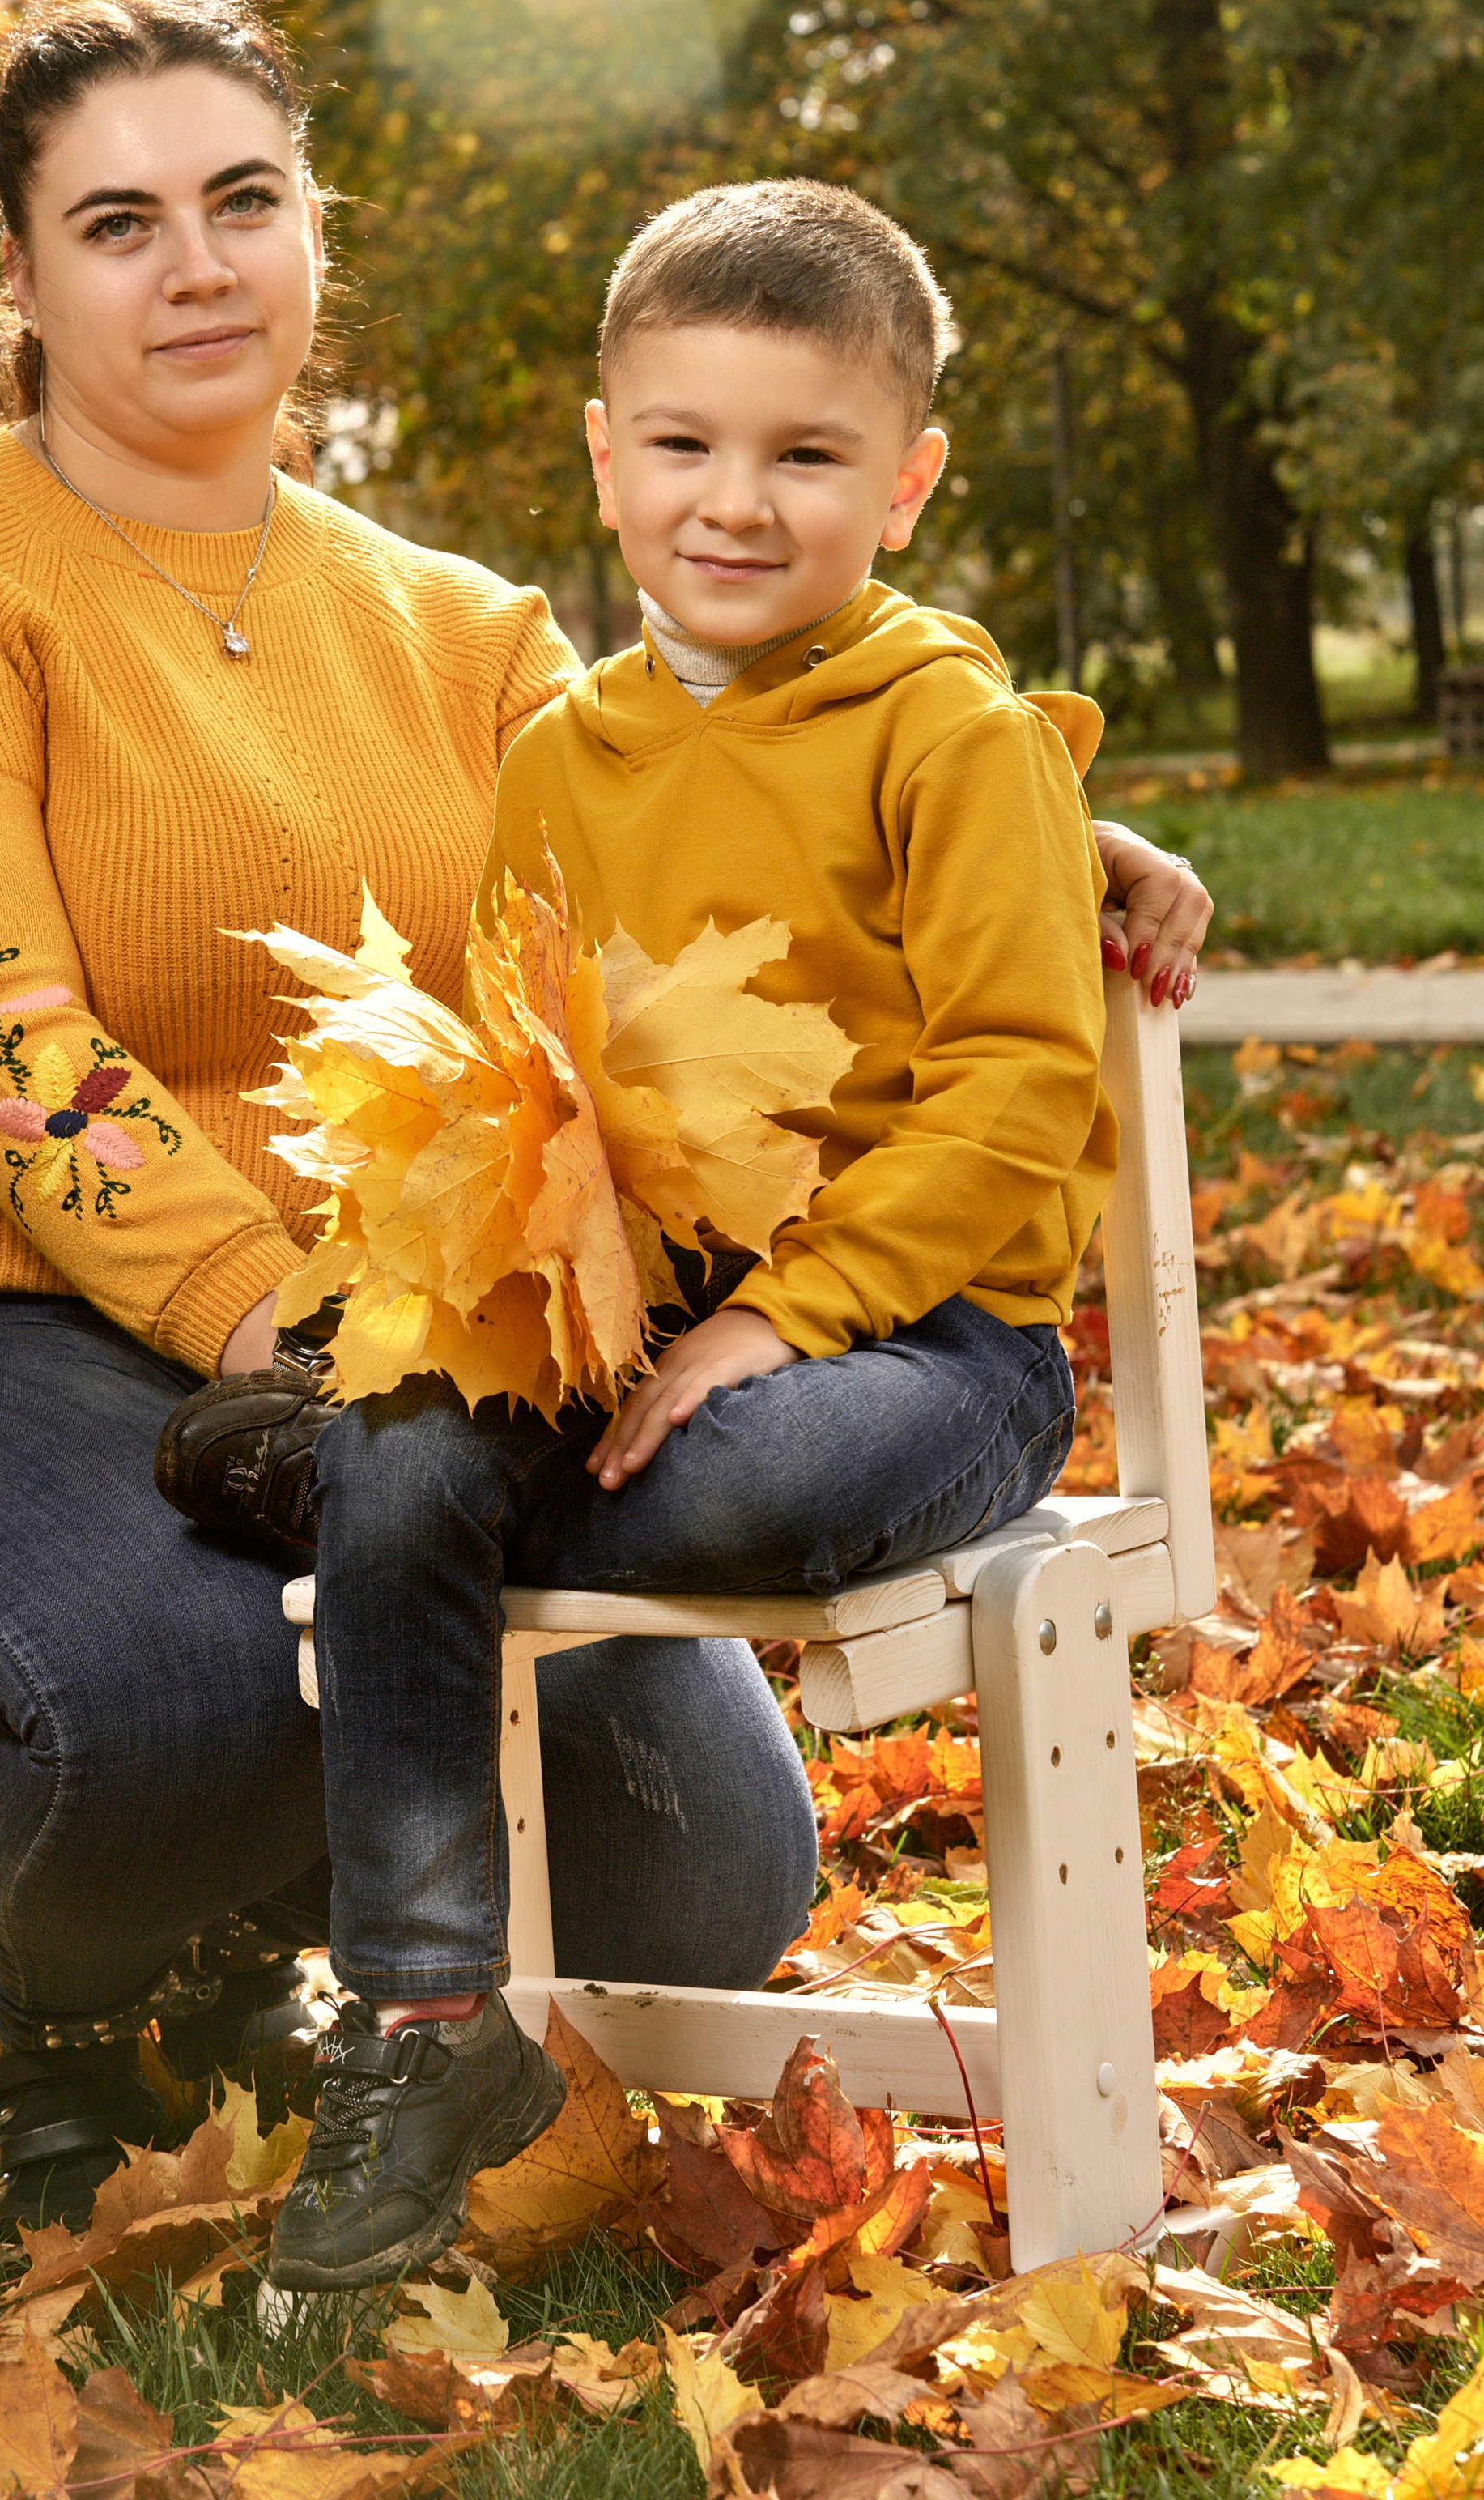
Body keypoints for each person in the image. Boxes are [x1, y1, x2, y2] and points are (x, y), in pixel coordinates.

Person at [0, 0, 1211, 2243]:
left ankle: (267, 1934)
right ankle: (67, 2004)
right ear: (16, 283)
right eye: (115, 222)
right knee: (197, 1675)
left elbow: (732, 794)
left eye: (244, 199)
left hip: (398, 1355)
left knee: (708, 1879)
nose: (196, 261)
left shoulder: (464, 629)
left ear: (318, 233)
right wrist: (287, 1331)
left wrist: (1027, 828)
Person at [258, 178, 1136, 2291]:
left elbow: (1022, 1097)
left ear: (907, 482)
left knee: (738, 1489)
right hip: (633, 1326)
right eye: (685, 444)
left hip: (932, 1341)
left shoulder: (950, 732)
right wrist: (420, 1312)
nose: (734, 502)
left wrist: (792, 1321)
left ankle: (425, 1534)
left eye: (806, 453)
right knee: (393, 1443)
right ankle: (430, 2020)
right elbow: (528, 1097)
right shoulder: (561, 758)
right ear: (606, 454)